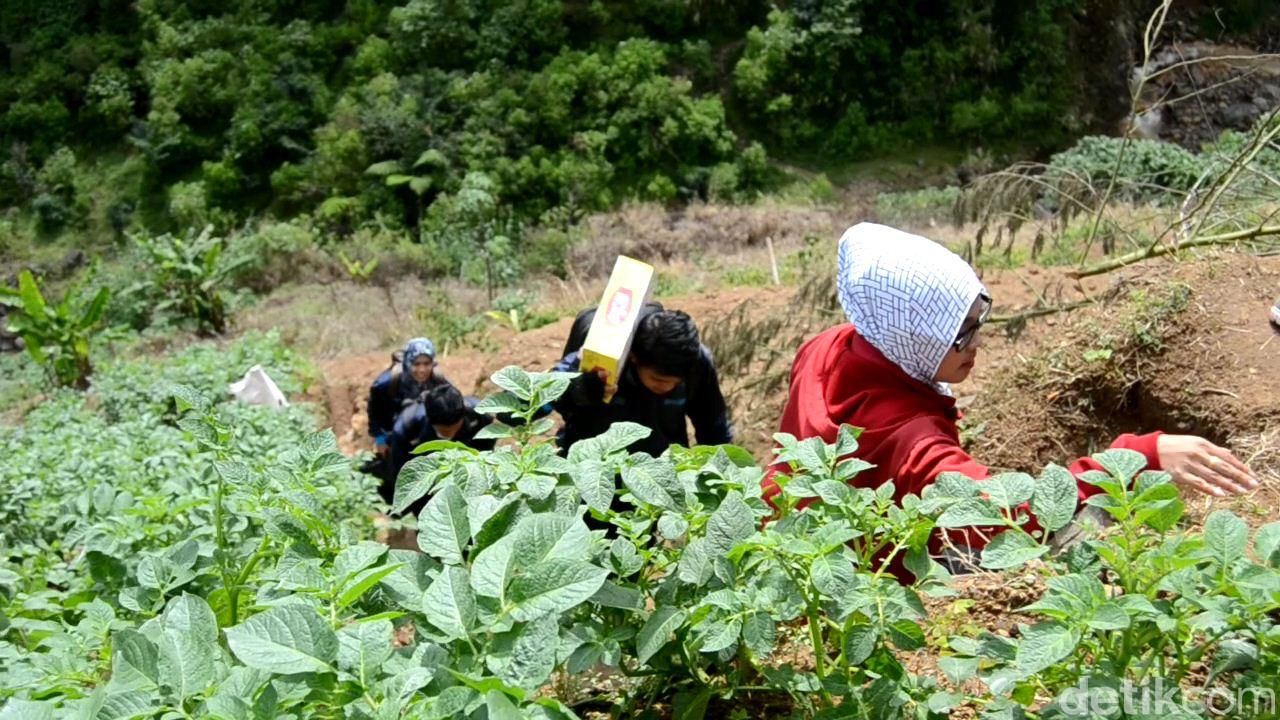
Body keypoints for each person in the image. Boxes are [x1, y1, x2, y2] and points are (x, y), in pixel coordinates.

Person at [764, 222, 1257, 556]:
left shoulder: (831, 346)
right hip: (879, 577)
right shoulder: (912, 441)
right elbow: (1003, 515)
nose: (977, 342)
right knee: (1073, 528)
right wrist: (1135, 457)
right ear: (911, 334)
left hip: (795, 530)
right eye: (961, 333)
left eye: (978, 320)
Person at [553, 308, 733, 456]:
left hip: (661, 474)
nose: (667, 387)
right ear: (634, 357)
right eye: (658, 380)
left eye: (675, 383)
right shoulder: (599, 360)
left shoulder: (697, 363)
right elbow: (536, 399)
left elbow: (713, 428)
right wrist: (579, 386)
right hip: (593, 470)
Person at [365, 338, 450, 493]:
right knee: (395, 471)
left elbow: (451, 403)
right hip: (394, 432)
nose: (422, 370)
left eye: (426, 364)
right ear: (408, 362)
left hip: (425, 430)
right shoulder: (387, 383)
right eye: (416, 364)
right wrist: (379, 438)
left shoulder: (439, 381)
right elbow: (374, 409)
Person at [392, 384, 497, 455]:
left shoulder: (481, 415)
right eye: (445, 431)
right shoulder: (407, 426)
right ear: (430, 421)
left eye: (455, 428)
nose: (450, 435)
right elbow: (402, 472)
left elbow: (487, 452)